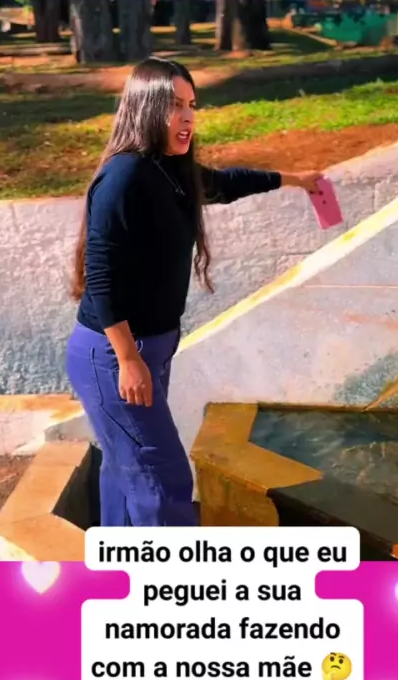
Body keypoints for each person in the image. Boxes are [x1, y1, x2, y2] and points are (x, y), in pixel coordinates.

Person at [66, 56, 323, 528]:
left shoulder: (170, 170)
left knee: (129, 472)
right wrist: (128, 359)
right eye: (174, 106)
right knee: (162, 479)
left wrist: (295, 180)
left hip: (148, 348)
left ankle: (120, 564)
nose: (187, 117)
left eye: (191, 105)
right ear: (145, 108)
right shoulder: (125, 177)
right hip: (115, 353)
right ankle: (172, 571)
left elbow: (225, 184)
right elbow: (101, 276)